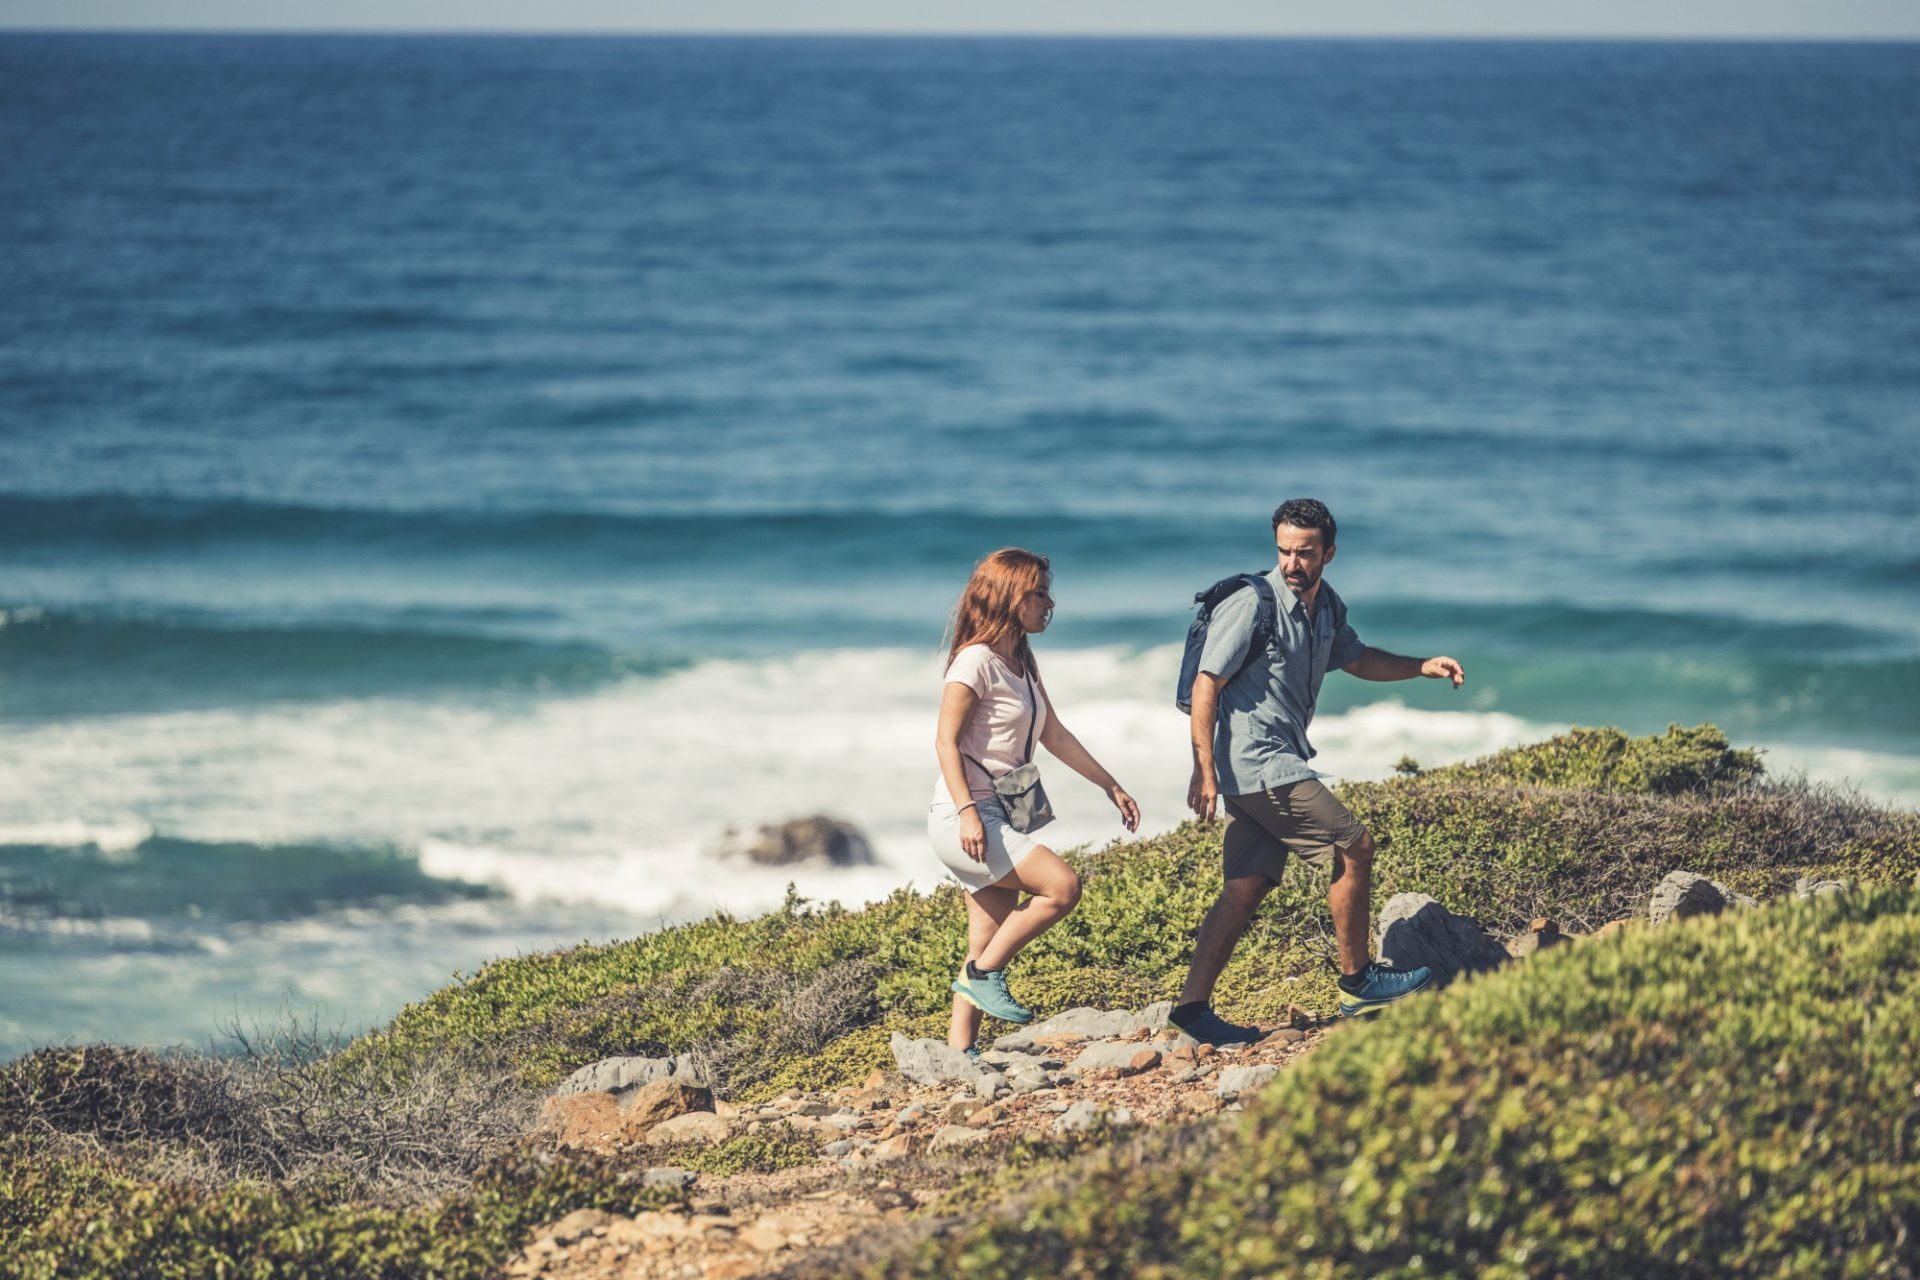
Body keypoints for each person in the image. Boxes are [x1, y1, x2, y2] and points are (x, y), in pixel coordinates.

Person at [1173, 499, 1465, 1043]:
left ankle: (1191, 1012)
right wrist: (1203, 770)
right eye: (1284, 551)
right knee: (1355, 845)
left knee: (1245, 887)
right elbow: (1206, 683)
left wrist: (1419, 667)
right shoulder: (1251, 603)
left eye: (1305, 553)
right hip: (1259, 762)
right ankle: (1357, 983)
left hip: (1271, 764)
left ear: (1328, 552)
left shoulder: (1326, 605)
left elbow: (1355, 658)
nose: (1292, 563)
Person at [930, 547, 1141, 1054]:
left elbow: (1054, 734)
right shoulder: (975, 661)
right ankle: (983, 976)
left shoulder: (1021, 659)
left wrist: (1110, 784)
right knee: (1062, 887)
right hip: (963, 816)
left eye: (1048, 592)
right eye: (1039, 592)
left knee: (985, 935)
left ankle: (961, 1055)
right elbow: (944, 741)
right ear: (1010, 596)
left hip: (994, 813)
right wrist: (966, 814)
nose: (1049, 602)